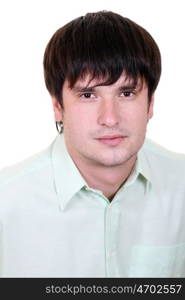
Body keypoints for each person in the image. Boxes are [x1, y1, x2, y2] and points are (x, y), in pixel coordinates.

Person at [0, 10, 185, 278]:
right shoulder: (6, 203)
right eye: (88, 94)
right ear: (57, 107)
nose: (110, 118)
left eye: (127, 93)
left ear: (150, 104)